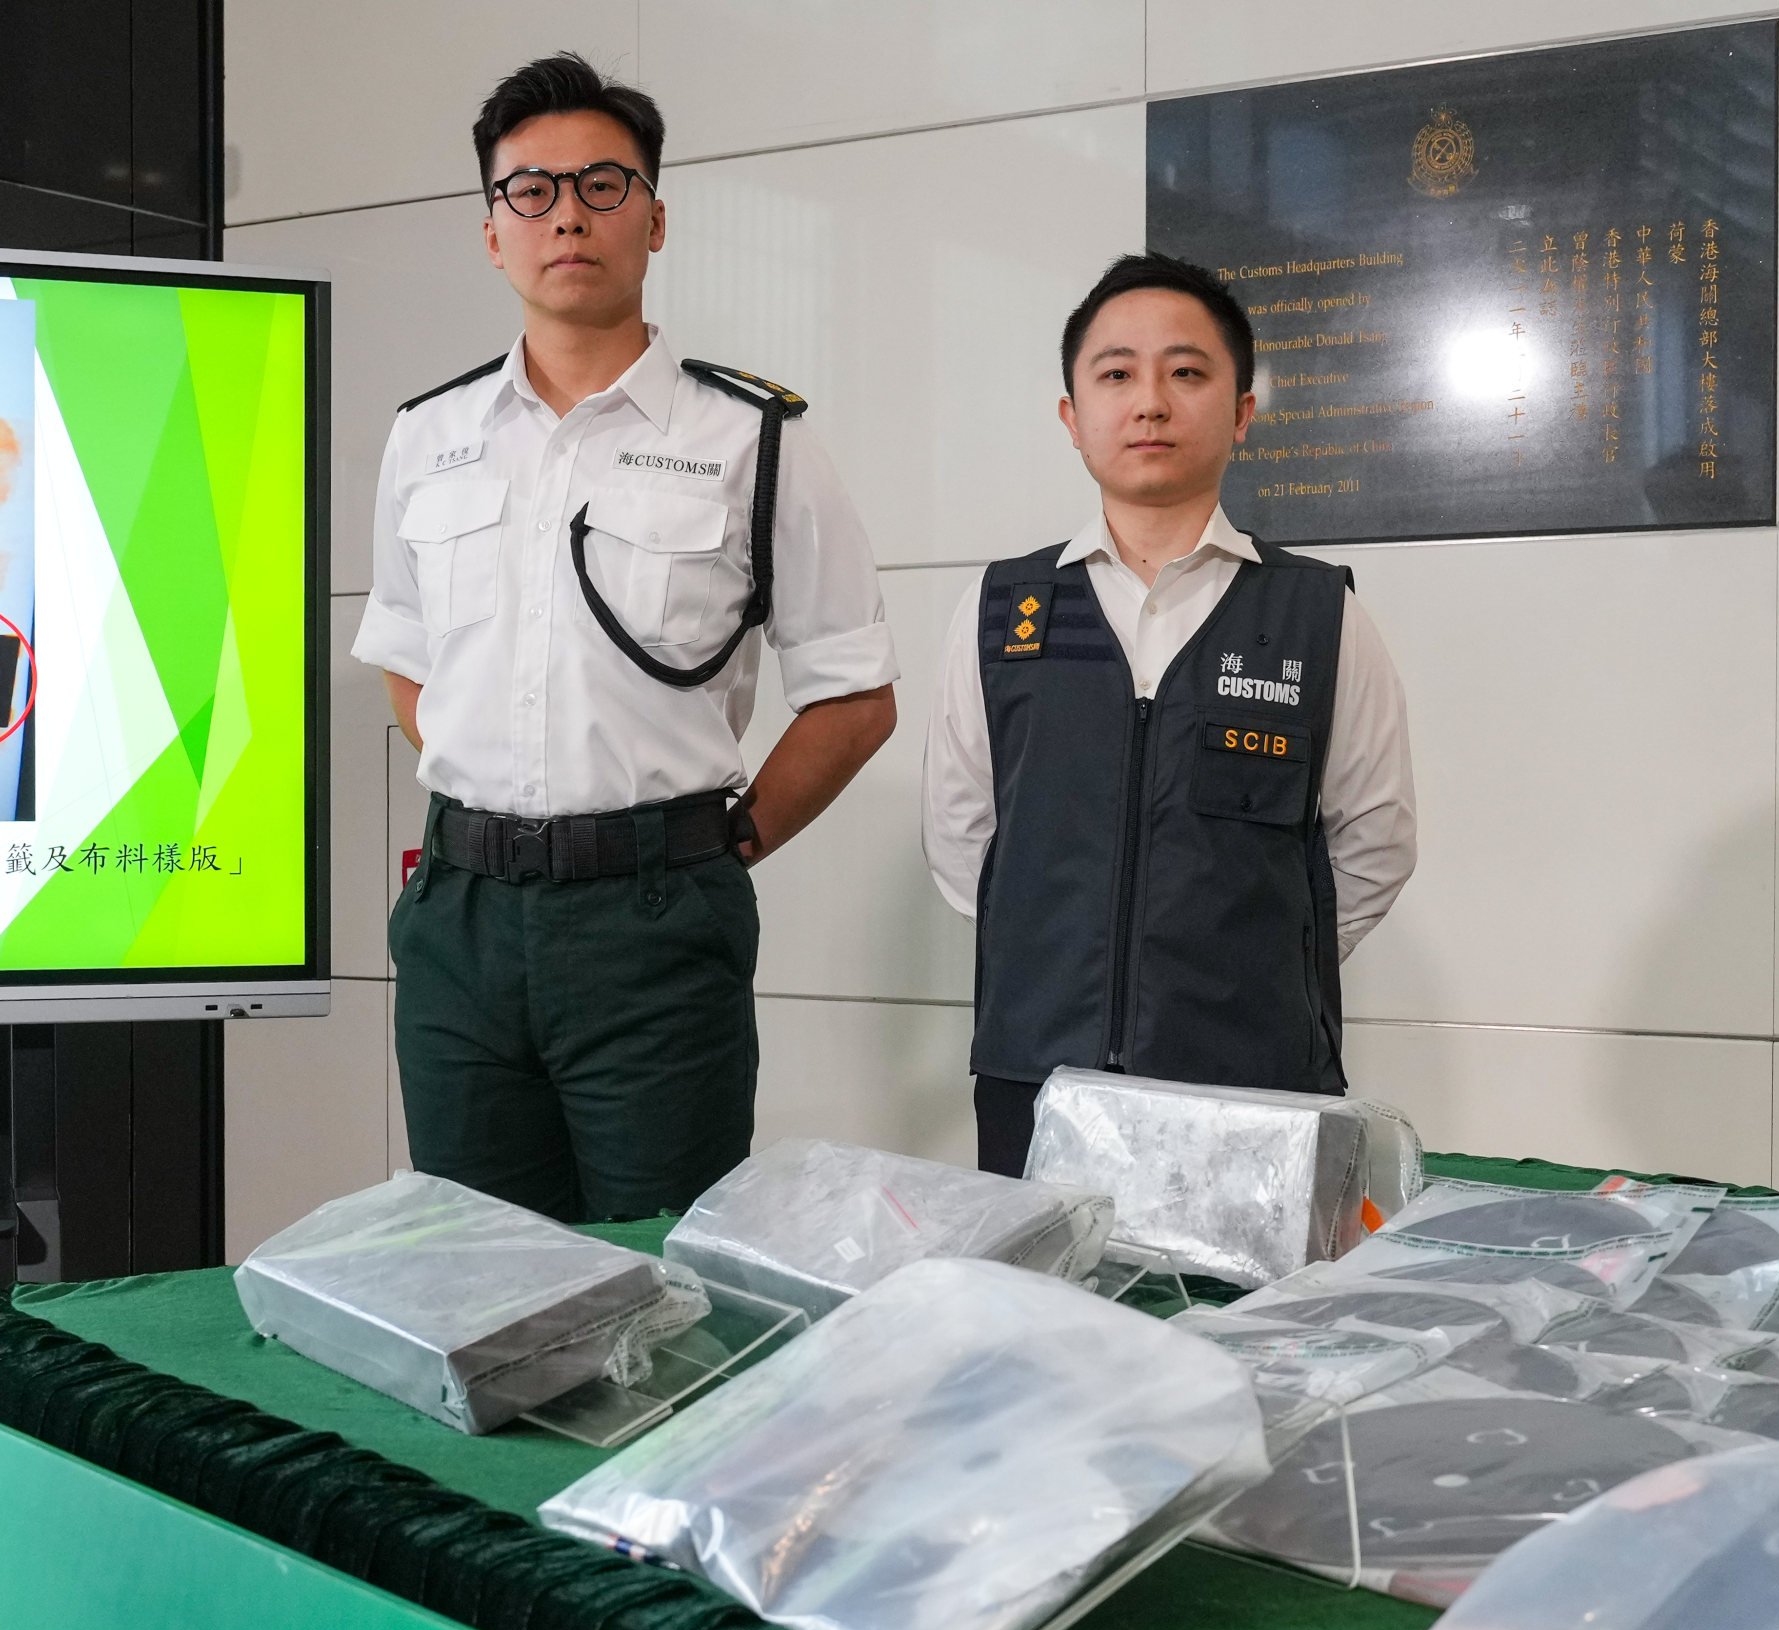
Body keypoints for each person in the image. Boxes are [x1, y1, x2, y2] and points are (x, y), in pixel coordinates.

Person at [360, 54, 897, 1222]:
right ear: (490, 231)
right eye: (531, 191)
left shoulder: (754, 439)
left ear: (655, 219)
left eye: (604, 187)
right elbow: (406, 660)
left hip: (655, 927)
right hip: (458, 919)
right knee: (469, 1271)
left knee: (664, 1280)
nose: (568, 215)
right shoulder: (428, 437)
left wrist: (716, 845)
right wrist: (487, 786)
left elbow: (855, 696)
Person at [922, 252, 1417, 1178]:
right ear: (1071, 417)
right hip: (1039, 1079)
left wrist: (1242, 966)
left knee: (1250, 1323)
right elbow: (962, 837)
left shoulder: (1315, 615)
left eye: (1186, 373)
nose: (1149, 401)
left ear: (1240, 413)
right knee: (1042, 1317)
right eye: (1116, 374)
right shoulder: (1002, 613)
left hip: (1251, 1088)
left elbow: (1372, 842)